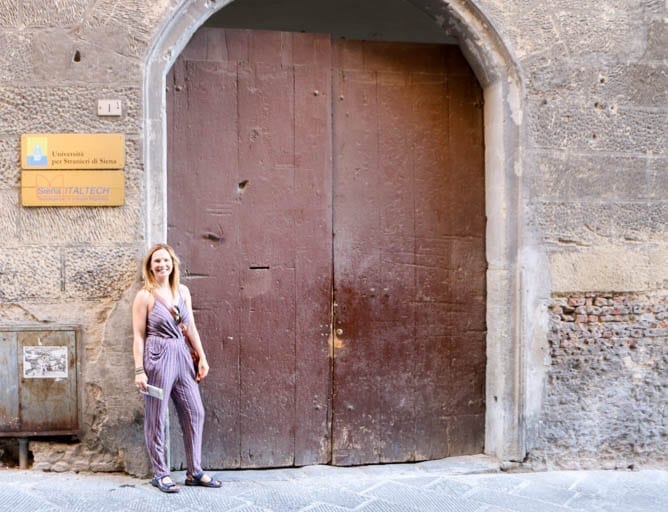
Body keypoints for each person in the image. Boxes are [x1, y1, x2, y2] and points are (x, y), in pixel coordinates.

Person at [132, 243, 222, 493]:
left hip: (182, 354)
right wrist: (139, 370)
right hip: (157, 355)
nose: (162, 265)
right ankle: (160, 473)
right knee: (156, 416)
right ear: (150, 267)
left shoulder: (183, 291)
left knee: (195, 411)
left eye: (166, 260)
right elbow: (138, 336)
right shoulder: (145, 296)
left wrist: (201, 357)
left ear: (173, 264)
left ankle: (195, 471)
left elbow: (190, 327)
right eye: (156, 261)